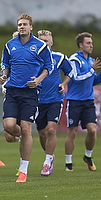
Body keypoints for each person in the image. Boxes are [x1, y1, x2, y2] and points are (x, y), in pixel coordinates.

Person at [0, 13, 53, 183]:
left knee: (26, 127)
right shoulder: (9, 45)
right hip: (12, 91)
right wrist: (4, 75)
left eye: (25, 24)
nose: (22, 26)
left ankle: (23, 170)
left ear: (31, 27)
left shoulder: (40, 46)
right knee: (8, 126)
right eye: (19, 24)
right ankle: (23, 137)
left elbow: (48, 67)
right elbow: (5, 64)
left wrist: (38, 80)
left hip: (30, 93)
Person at [36, 30, 73, 176]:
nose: (43, 43)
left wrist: (63, 84)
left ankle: (47, 162)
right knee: (41, 132)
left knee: (51, 129)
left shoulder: (59, 57)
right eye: (41, 40)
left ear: (51, 43)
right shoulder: (33, 59)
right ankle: (49, 154)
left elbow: (69, 72)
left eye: (46, 41)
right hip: (37, 100)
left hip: (55, 99)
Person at [65, 32, 101, 172]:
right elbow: (76, 78)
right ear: (80, 45)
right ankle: (68, 163)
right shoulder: (74, 59)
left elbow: (93, 81)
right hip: (74, 101)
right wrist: (92, 70)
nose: (91, 45)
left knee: (92, 130)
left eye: (91, 43)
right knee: (72, 132)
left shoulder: (90, 60)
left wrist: (97, 73)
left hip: (88, 101)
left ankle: (88, 156)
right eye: (88, 43)